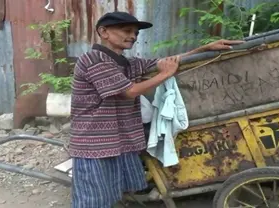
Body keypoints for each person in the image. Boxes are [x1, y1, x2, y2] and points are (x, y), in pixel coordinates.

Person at [70, 11, 244, 208]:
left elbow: (166, 63)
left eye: (136, 33)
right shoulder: (94, 59)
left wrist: (204, 48)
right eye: (126, 31)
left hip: (117, 140)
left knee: (112, 195)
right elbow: (129, 91)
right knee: (93, 200)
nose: (133, 36)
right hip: (95, 143)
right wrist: (165, 75)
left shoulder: (128, 63)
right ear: (103, 32)